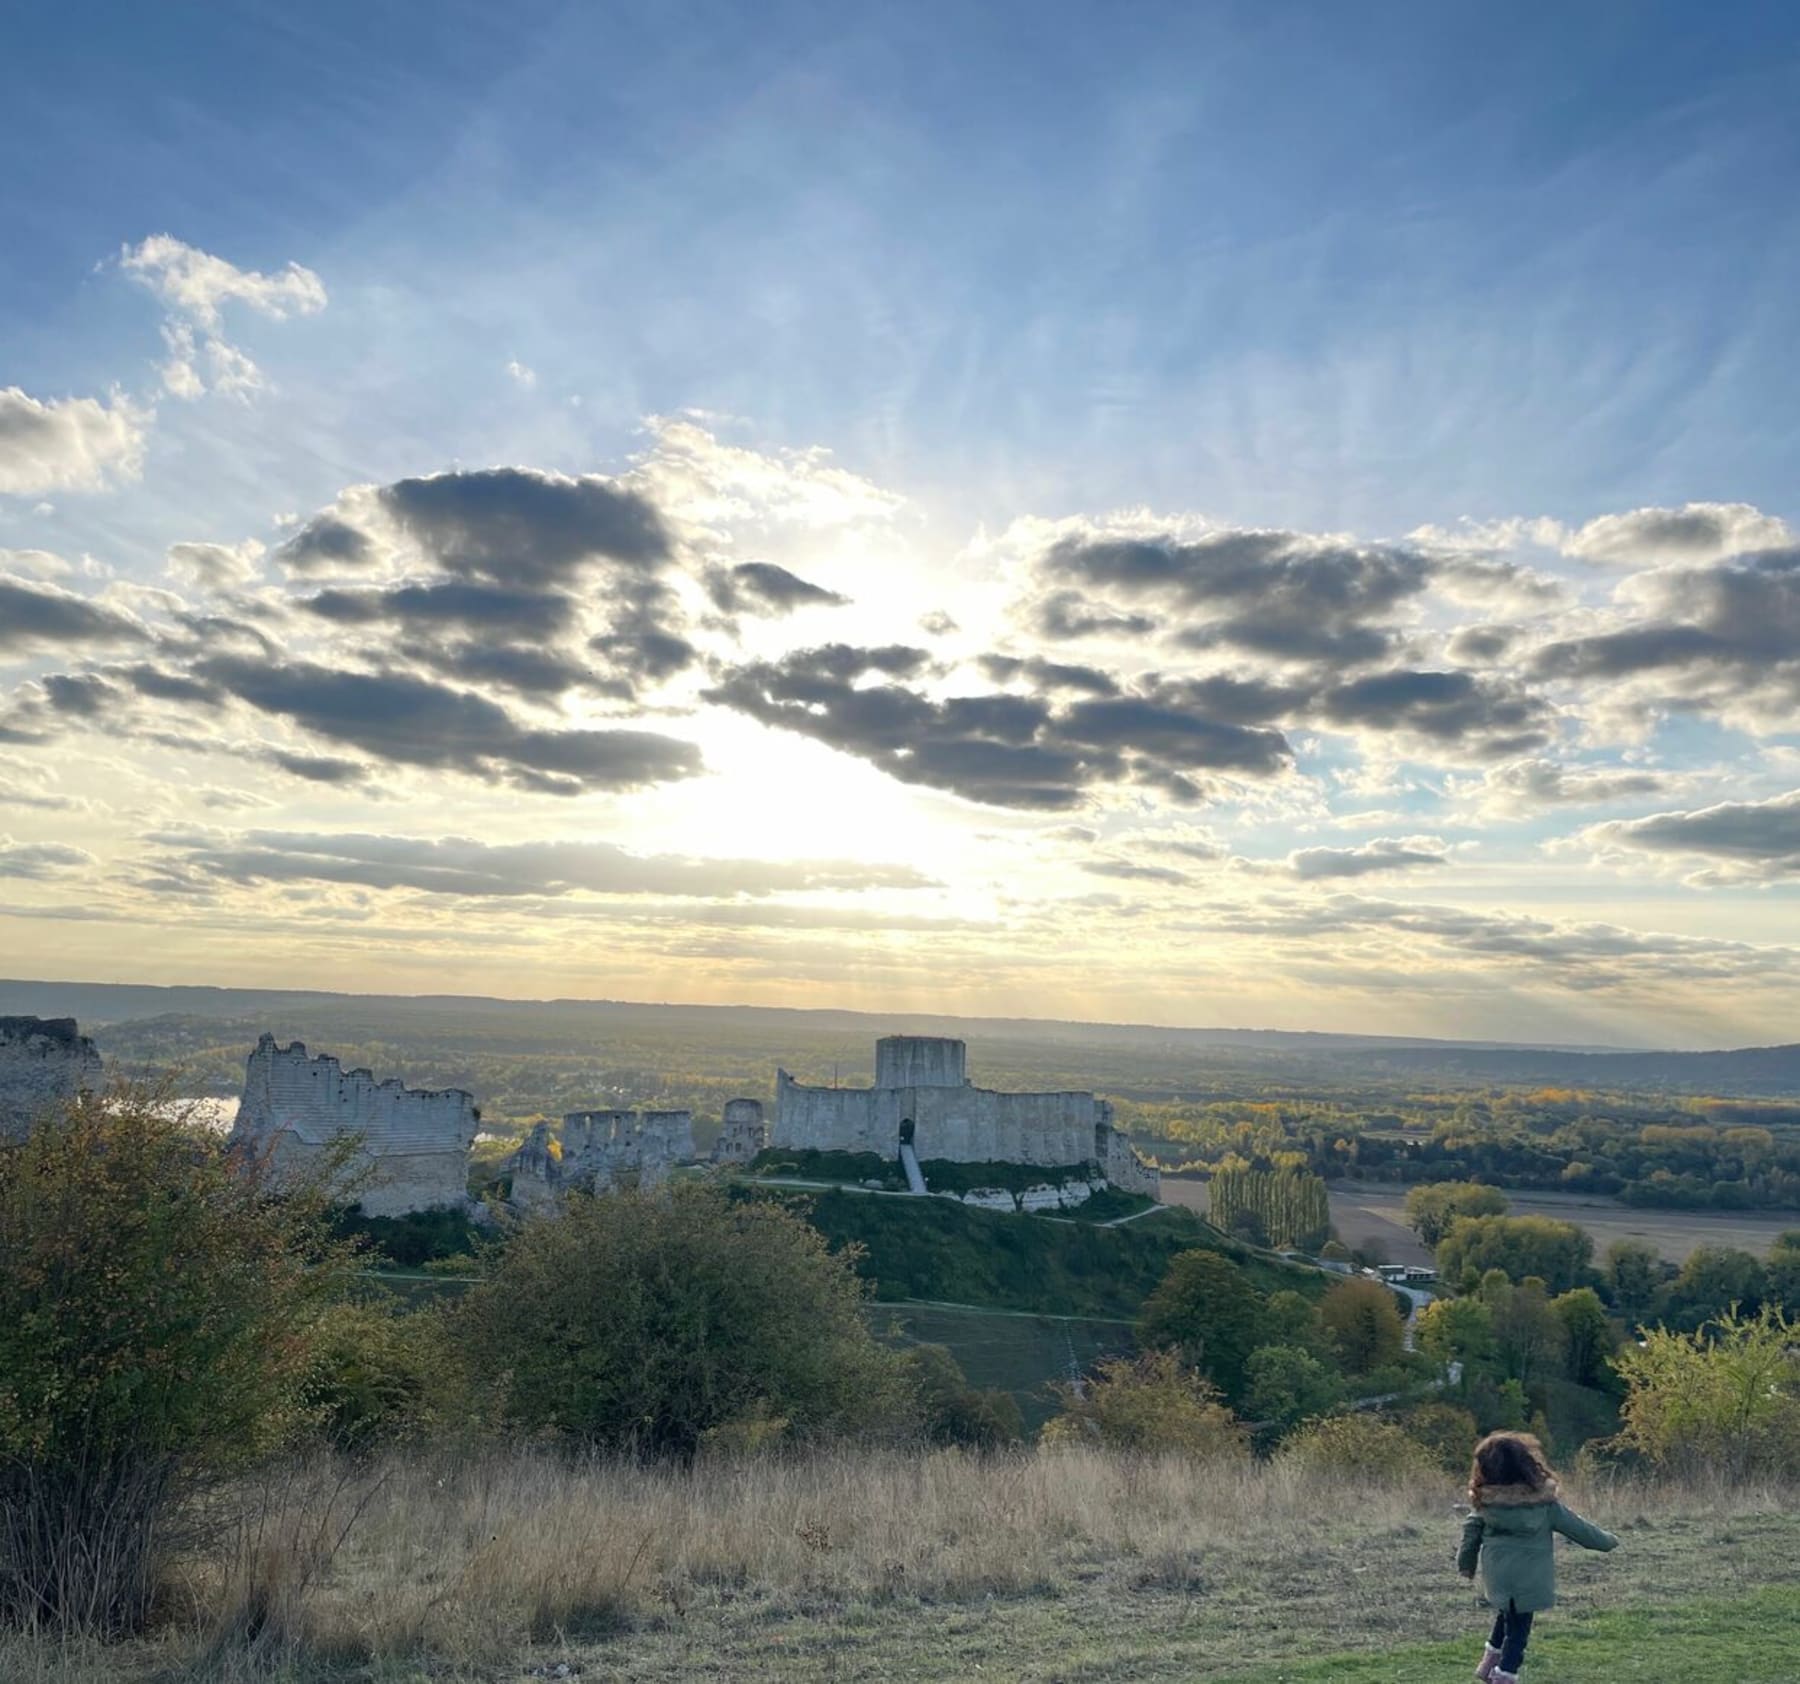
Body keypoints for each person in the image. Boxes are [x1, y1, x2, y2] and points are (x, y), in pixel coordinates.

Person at [1456, 1430, 1618, 1682]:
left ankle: (1488, 1664)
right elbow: (1581, 1530)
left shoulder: (1485, 1506)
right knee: (1518, 1633)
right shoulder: (1544, 1506)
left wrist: (1466, 1566)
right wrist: (1608, 1542)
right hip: (1529, 1580)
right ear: (1527, 1465)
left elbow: (1470, 1536)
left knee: (1506, 1613)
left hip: (1499, 1578)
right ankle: (1504, 1675)